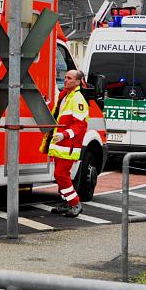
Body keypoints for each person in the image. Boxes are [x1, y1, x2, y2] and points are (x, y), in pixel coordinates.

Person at [42, 69, 89, 217]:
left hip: (68, 145)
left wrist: (64, 135)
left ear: (77, 82)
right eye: (65, 77)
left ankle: (75, 204)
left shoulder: (78, 99)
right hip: (60, 145)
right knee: (60, 176)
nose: (65, 79)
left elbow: (80, 125)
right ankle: (67, 203)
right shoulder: (64, 96)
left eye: (69, 78)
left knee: (61, 175)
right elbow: (58, 114)